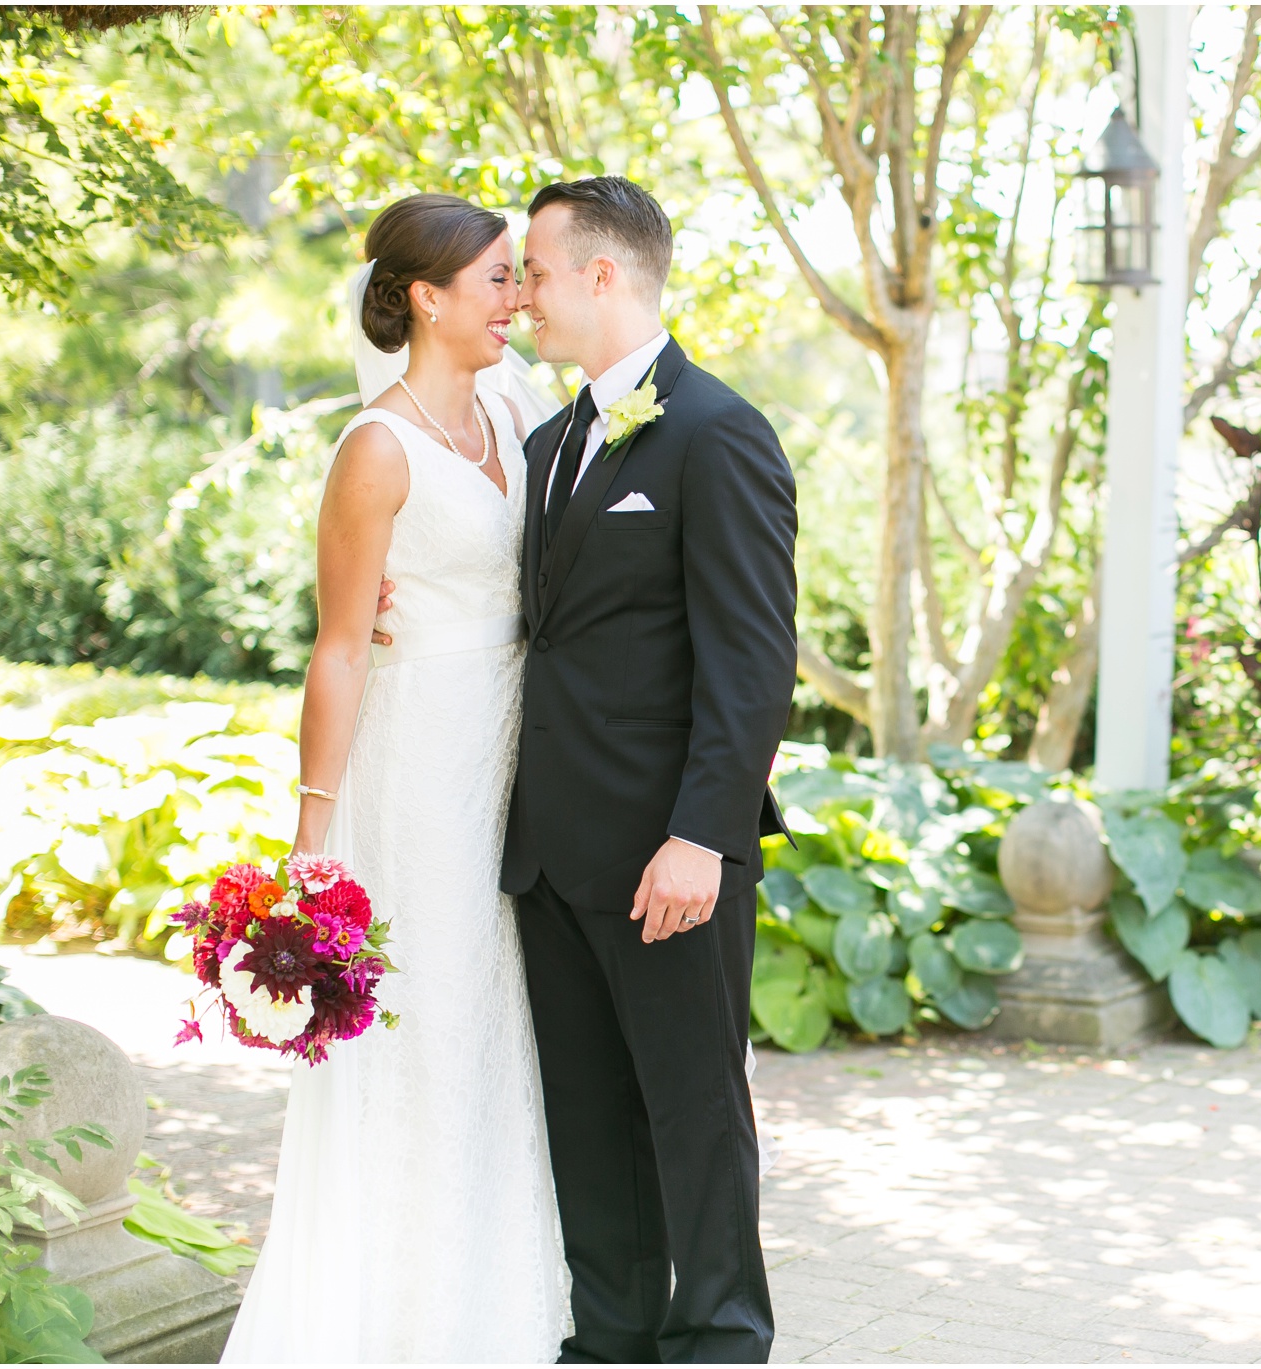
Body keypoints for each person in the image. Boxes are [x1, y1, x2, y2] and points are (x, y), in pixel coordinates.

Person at [223, 193, 569, 1361]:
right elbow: (337, 643)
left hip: (517, 743)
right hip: (415, 759)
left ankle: (505, 1294)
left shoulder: (522, 405)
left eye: (520, 277)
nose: (515, 298)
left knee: (500, 1014)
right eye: (495, 279)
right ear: (427, 296)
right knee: (428, 1020)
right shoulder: (374, 447)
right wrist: (312, 838)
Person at [500, 176, 797, 1364]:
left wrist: (703, 836)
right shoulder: (549, 438)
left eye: (534, 270)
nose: (520, 295)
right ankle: (609, 1336)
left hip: (666, 851)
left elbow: (750, 658)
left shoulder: (719, 431)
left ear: (602, 274)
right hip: (552, 851)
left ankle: (719, 1337)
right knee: (589, 1114)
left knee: (691, 1111)